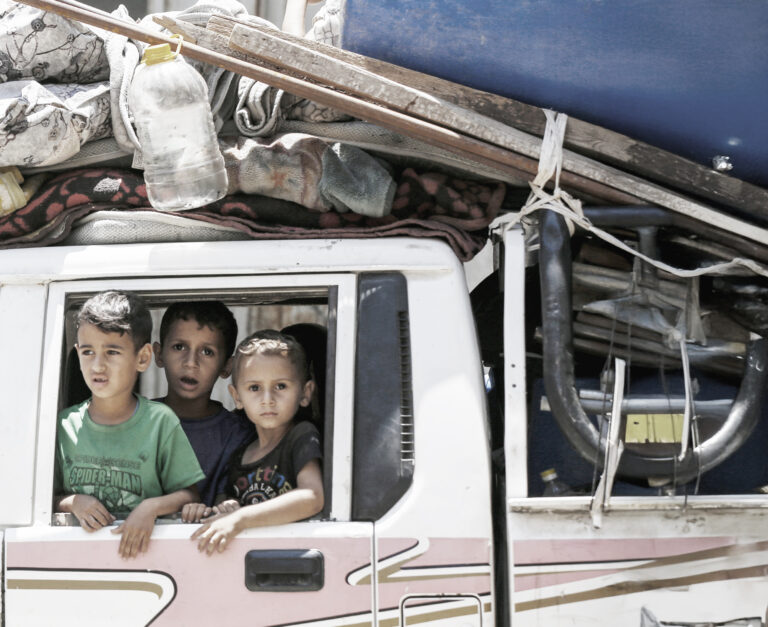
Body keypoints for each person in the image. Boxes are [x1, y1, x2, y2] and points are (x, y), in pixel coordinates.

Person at [54, 290, 205, 559]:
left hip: (146, 559)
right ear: (78, 354)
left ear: (143, 358)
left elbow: (189, 496)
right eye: (88, 352)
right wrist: (72, 502)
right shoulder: (64, 425)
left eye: (112, 352)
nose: (97, 365)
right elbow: (40, 501)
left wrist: (150, 508)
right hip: (77, 560)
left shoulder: (160, 421)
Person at [187, 330, 324, 555]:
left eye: (281, 386)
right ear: (237, 397)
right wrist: (218, 508)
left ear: (305, 392)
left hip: (293, 554)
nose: (267, 399)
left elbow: (312, 497)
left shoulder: (301, 436)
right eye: (254, 388)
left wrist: (240, 518)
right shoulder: (240, 454)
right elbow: (225, 505)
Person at [153, 301, 252, 508]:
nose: (191, 362)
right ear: (159, 354)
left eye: (207, 352)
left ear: (227, 366)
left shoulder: (237, 435)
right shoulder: (135, 419)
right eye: (179, 347)